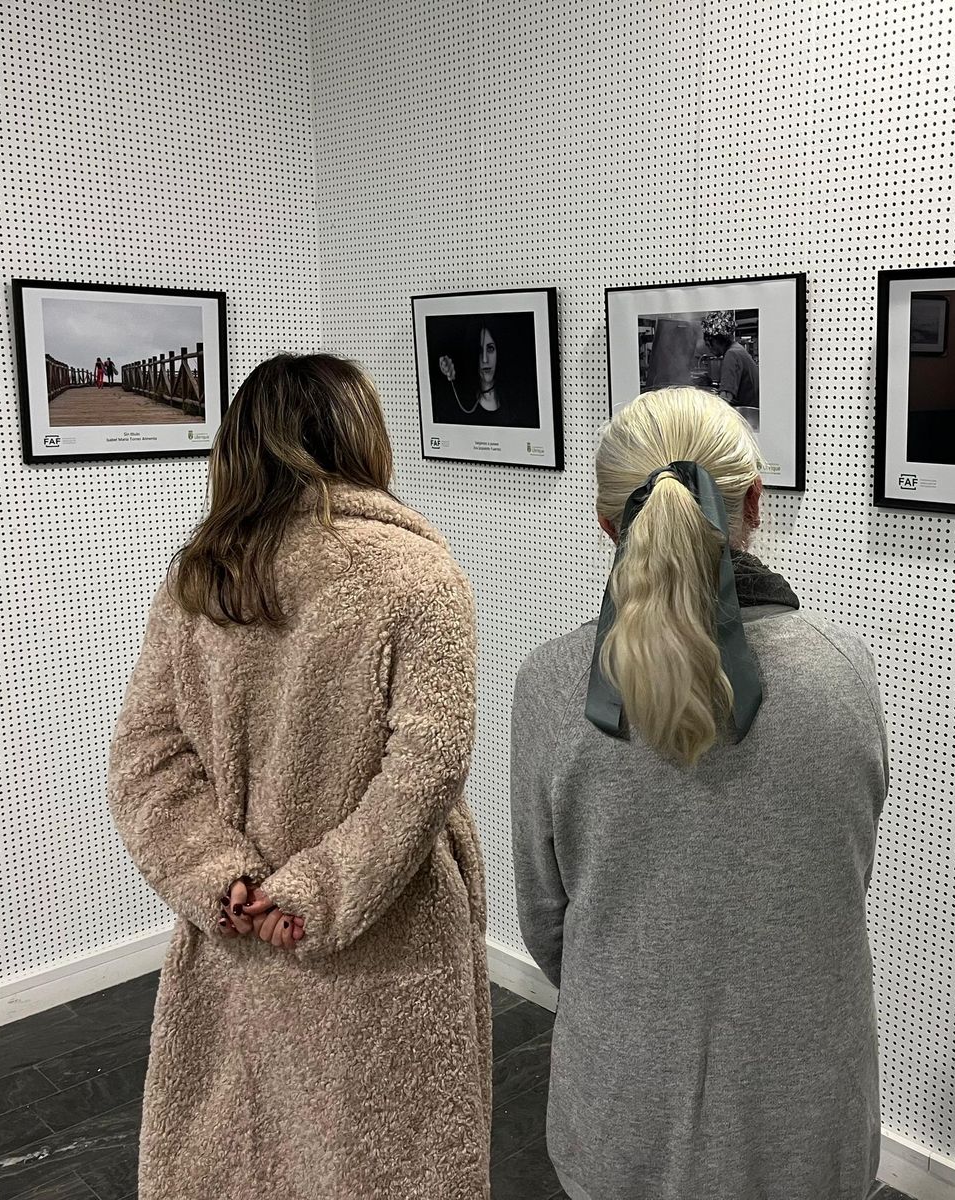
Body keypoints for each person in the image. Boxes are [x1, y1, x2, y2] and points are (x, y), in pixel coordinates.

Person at [108, 353, 491, 1199]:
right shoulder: (417, 576)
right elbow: (426, 770)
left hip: (238, 938)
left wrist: (225, 880)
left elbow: (145, 761)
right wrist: (315, 891)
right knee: (386, 1158)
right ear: (361, 436)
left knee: (249, 1154)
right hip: (385, 928)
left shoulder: (202, 578)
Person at [511, 387, 888, 1200]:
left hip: (625, 1104)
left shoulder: (551, 685)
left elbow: (546, 922)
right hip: (808, 1109)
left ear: (607, 522)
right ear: (756, 502)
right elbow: (841, 876)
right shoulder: (843, 669)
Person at [701, 311, 759, 412]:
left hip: (745, 415)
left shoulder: (731, 355)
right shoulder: (738, 349)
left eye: (708, 345)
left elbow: (725, 398)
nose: (709, 349)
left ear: (714, 341)